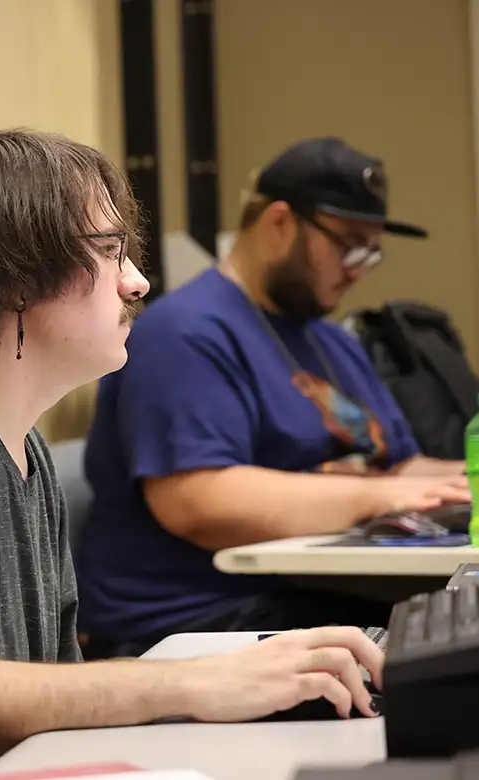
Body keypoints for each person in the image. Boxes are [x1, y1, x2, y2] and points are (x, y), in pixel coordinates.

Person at [0, 130, 385, 771]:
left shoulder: (19, 442)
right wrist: (189, 684)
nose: (137, 283)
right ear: (12, 278)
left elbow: (48, 701)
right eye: (111, 253)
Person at [77, 137, 470, 658]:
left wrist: (459, 481)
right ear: (280, 222)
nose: (359, 269)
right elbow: (198, 501)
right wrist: (382, 497)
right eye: (349, 245)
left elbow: (401, 468)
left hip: (301, 594)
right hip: (193, 621)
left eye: (371, 253)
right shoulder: (185, 335)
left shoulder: (329, 341)